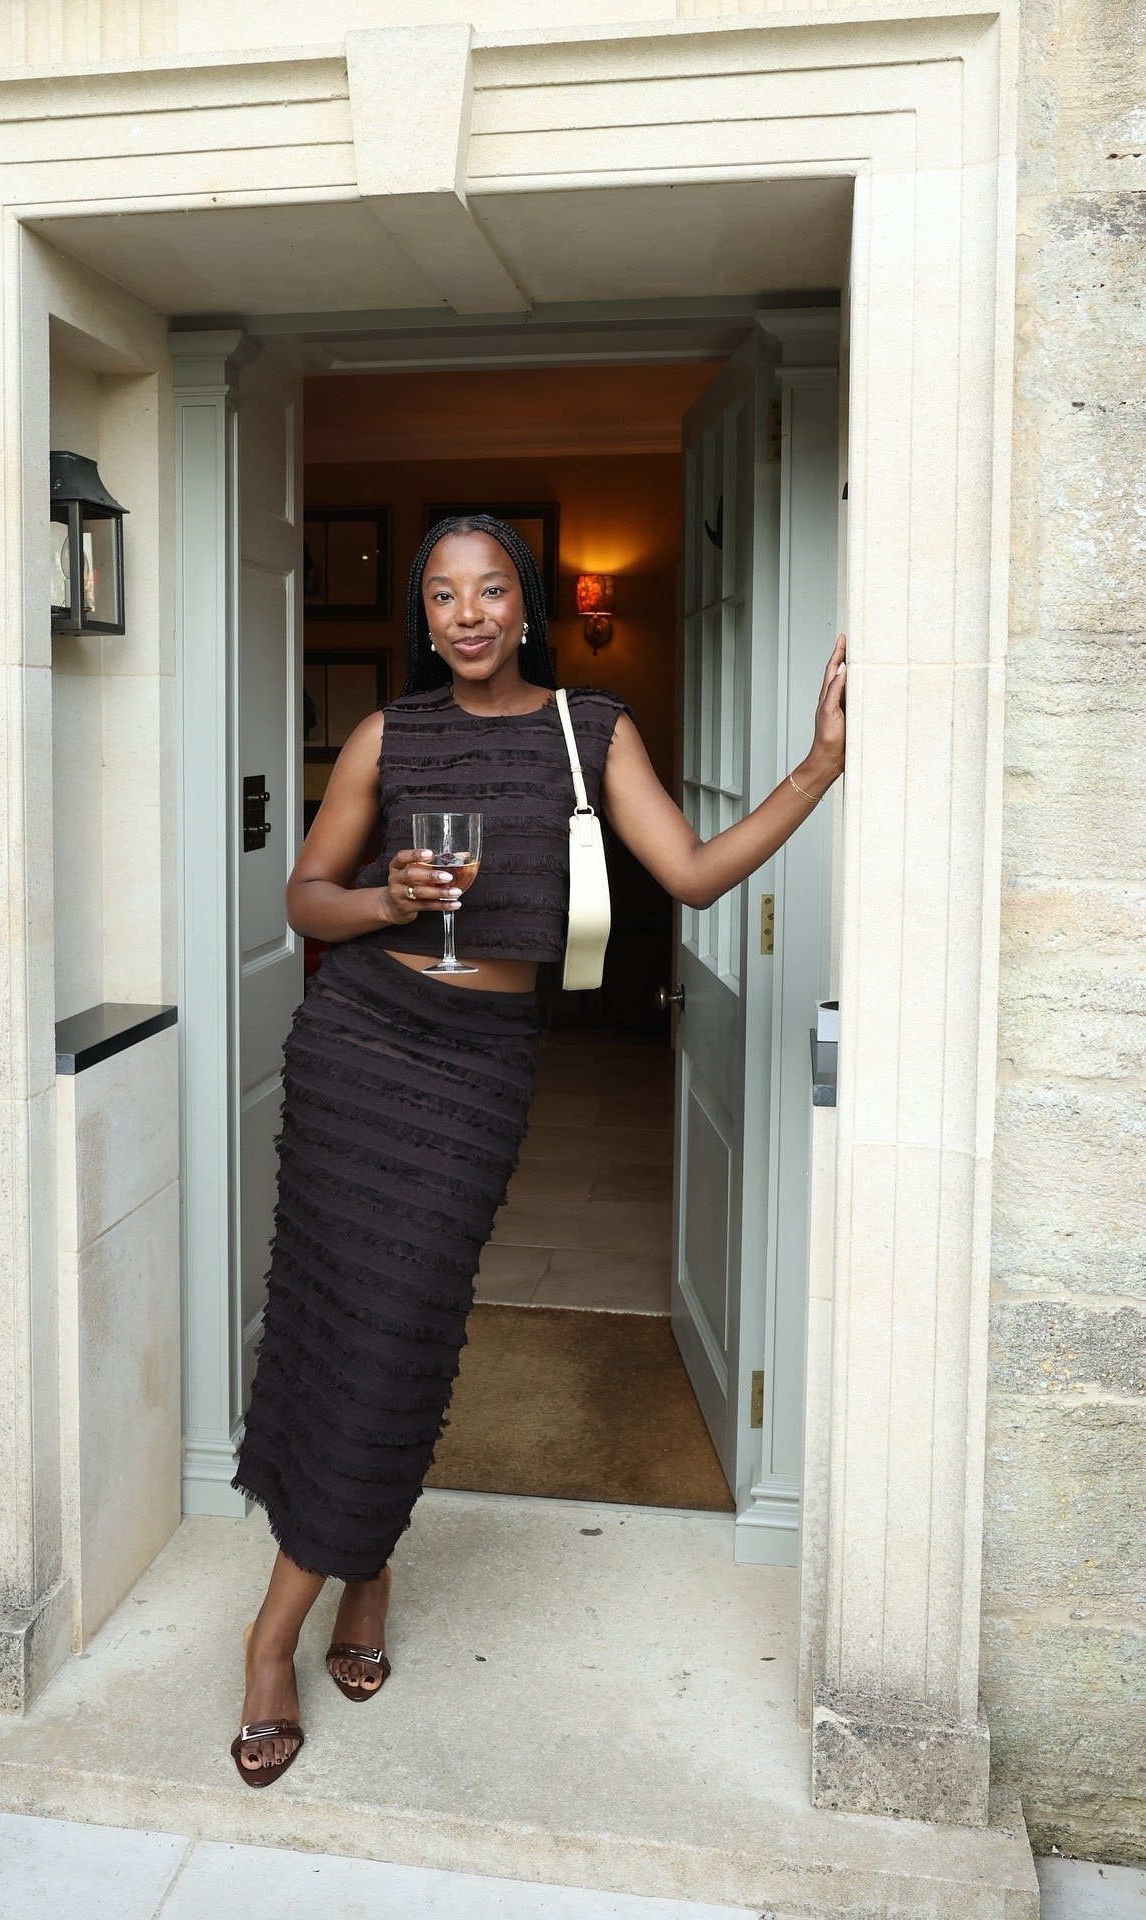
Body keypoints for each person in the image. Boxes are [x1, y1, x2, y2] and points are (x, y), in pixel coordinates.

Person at [228, 512, 848, 1785]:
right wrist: (388, 898)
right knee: (337, 1321)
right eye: (442, 594)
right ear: (425, 613)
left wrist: (819, 767)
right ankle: (292, 1629)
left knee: (406, 1328)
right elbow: (306, 897)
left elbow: (692, 875)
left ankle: (337, 1577)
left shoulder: (591, 729)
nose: (467, 614)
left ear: (526, 607)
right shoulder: (388, 735)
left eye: (490, 591)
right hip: (359, 1044)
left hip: (477, 1069)